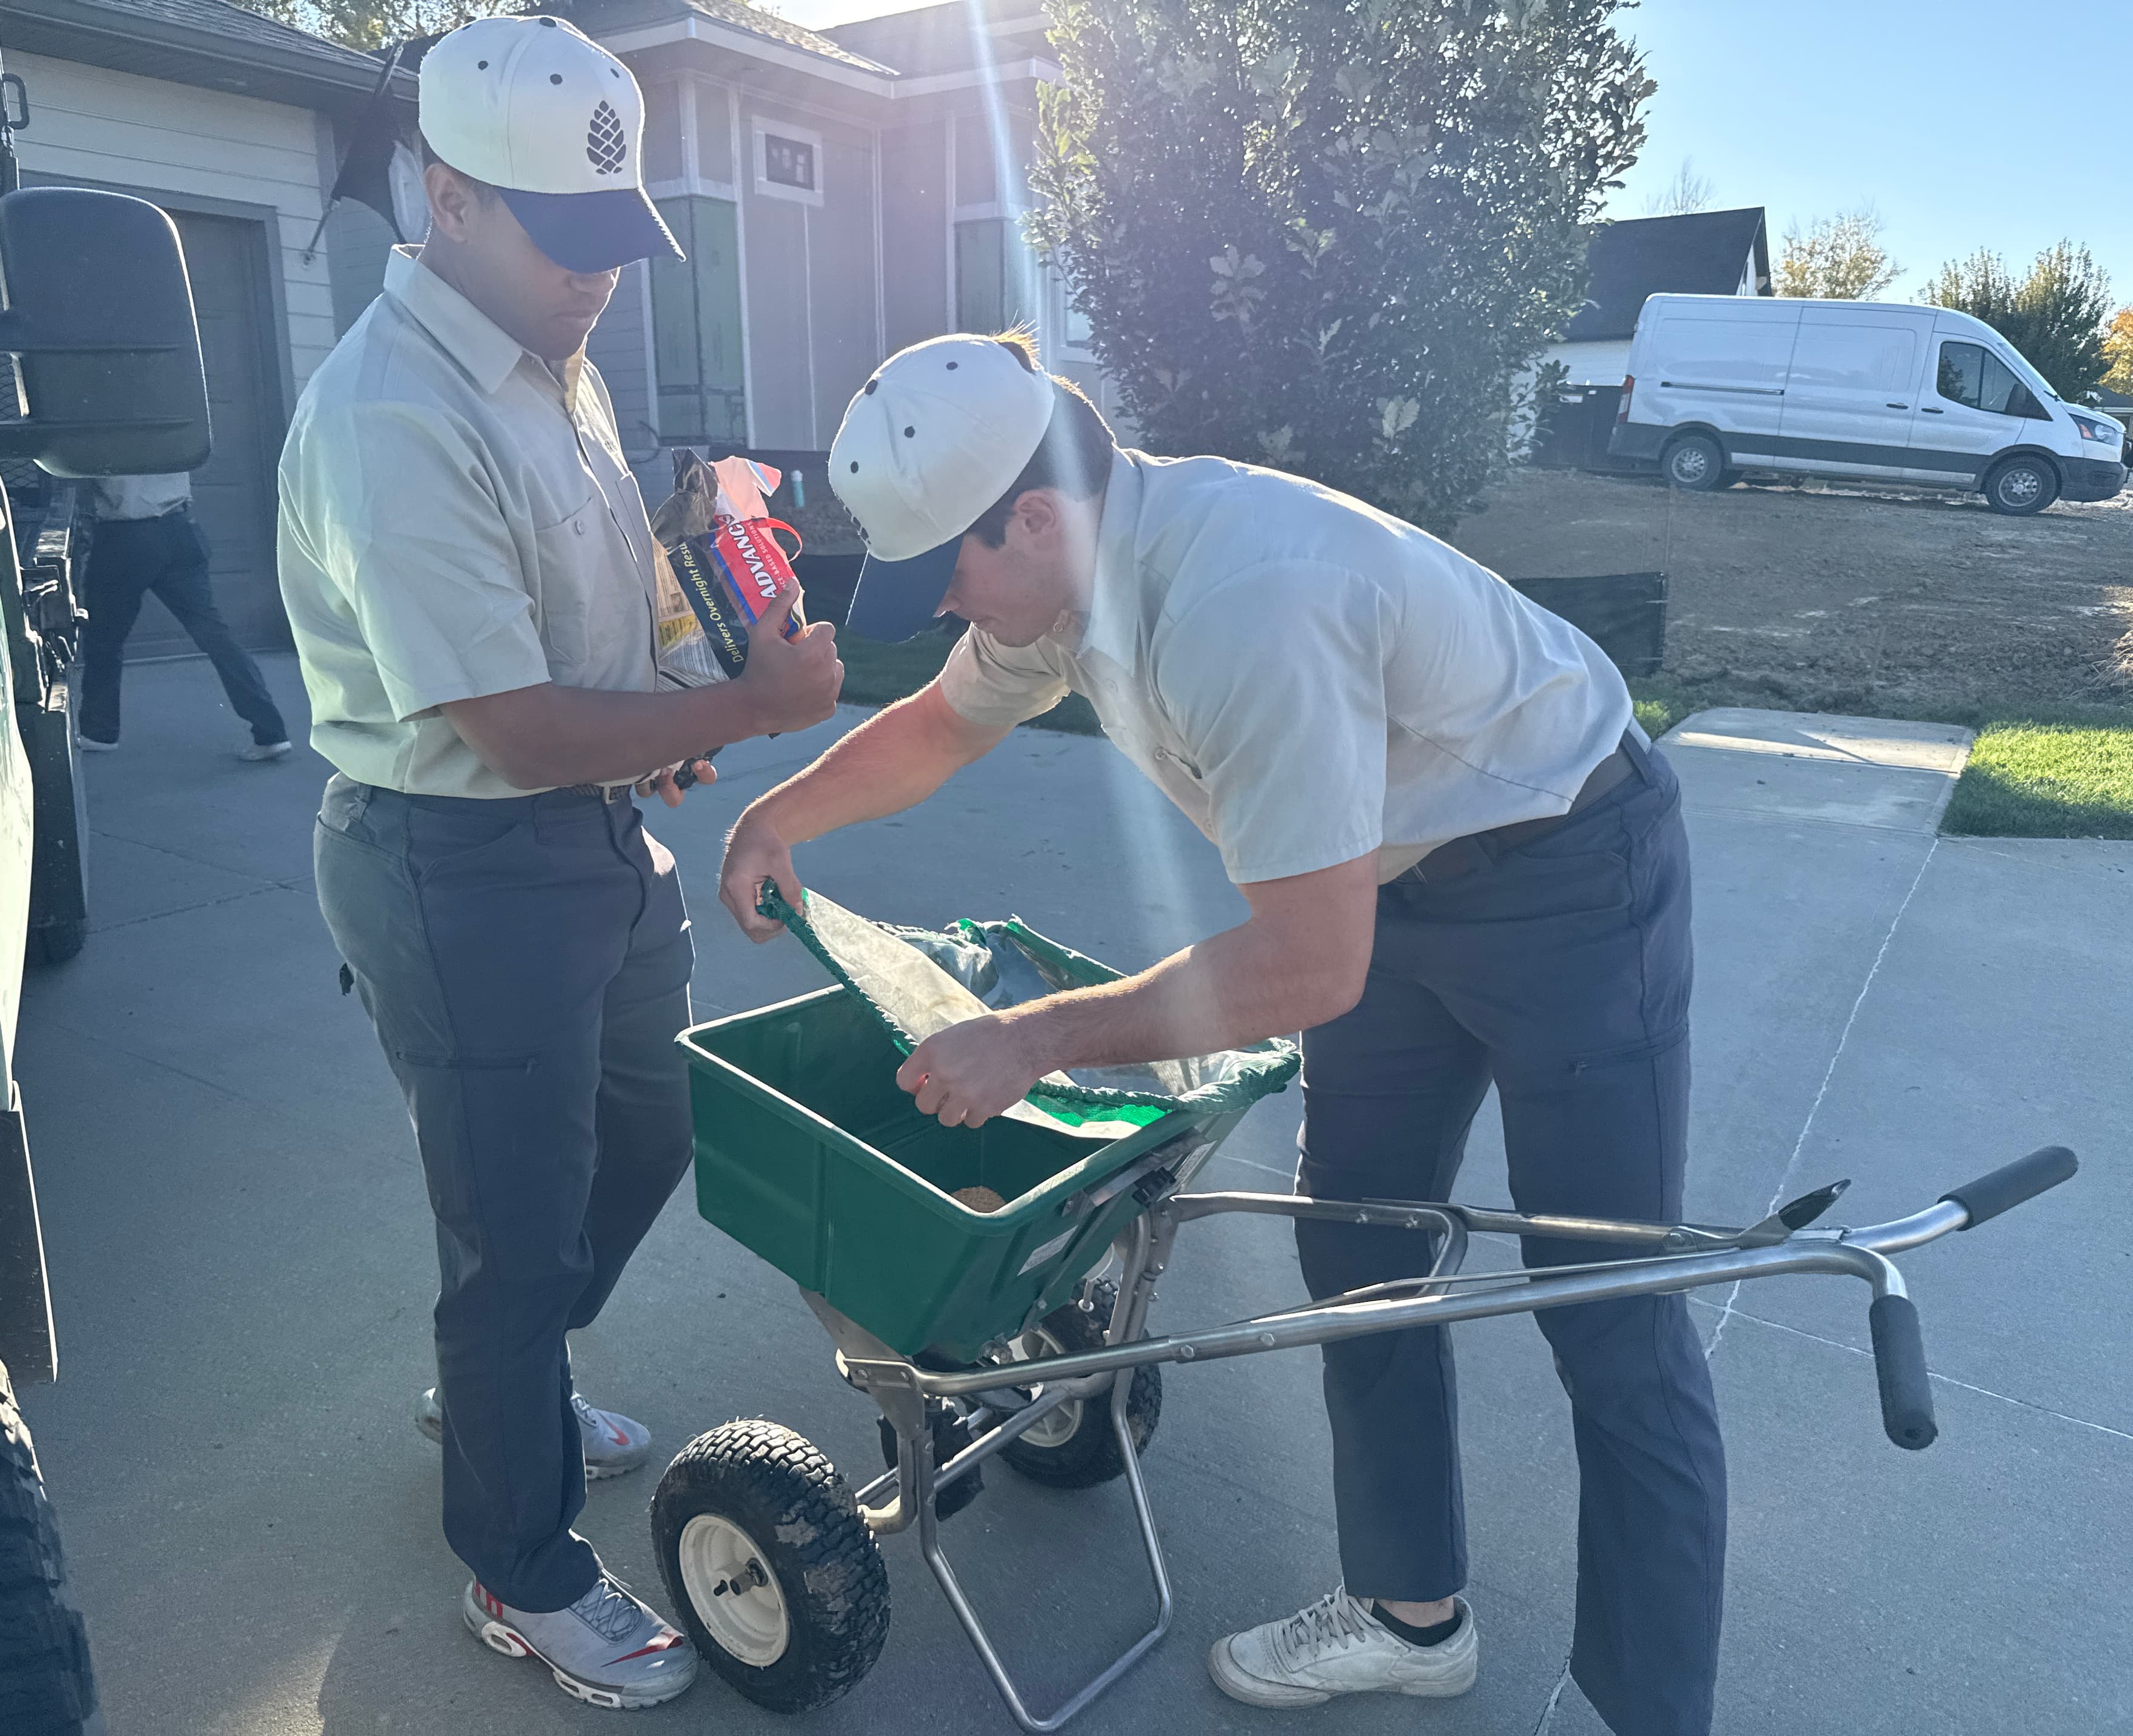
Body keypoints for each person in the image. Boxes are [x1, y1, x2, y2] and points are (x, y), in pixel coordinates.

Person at [717, 333, 1724, 1736]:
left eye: (947, 565)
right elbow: (942, 726)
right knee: (1357, 1244)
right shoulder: (1054, 589)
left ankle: (1649, 1709)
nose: (943, 601)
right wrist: (781, 815)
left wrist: (1032, 1038)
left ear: (1039, 515)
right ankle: (1406, 1612)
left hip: (1567, 866)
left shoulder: (1237, 601)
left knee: (1607, 1308)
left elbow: (1308, 965)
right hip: (1384, 878)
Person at [275, 14, 841, 1712]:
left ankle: (501, 1381)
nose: (601, 277)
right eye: (564, 237)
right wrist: (753, 701)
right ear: (447, 196)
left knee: (649, 1126)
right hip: (461, 859)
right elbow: (509, 724)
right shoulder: (398, 408)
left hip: (592, 840)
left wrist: (692, 601)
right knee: (511, 1241)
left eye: (618, 241)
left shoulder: (557, 363)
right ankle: (517, 1562)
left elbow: (582, 631)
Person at [75, 471, 292, 759]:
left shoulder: (109, 427)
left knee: (105, 640)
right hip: (179, 528)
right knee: (216, 636)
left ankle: (99, 731)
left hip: (123, 535)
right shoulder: (176, 427)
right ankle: (270, 732)